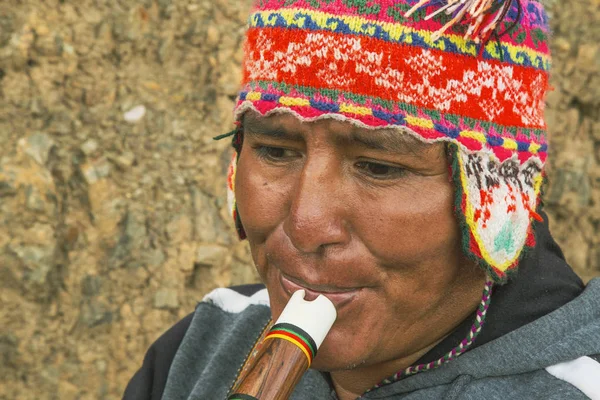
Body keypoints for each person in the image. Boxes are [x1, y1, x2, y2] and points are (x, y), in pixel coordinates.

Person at [123, 0, 600, 399]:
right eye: (274, 151)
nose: (305, 225)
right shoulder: (199, 351)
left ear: (494, 200)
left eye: (379, 167)